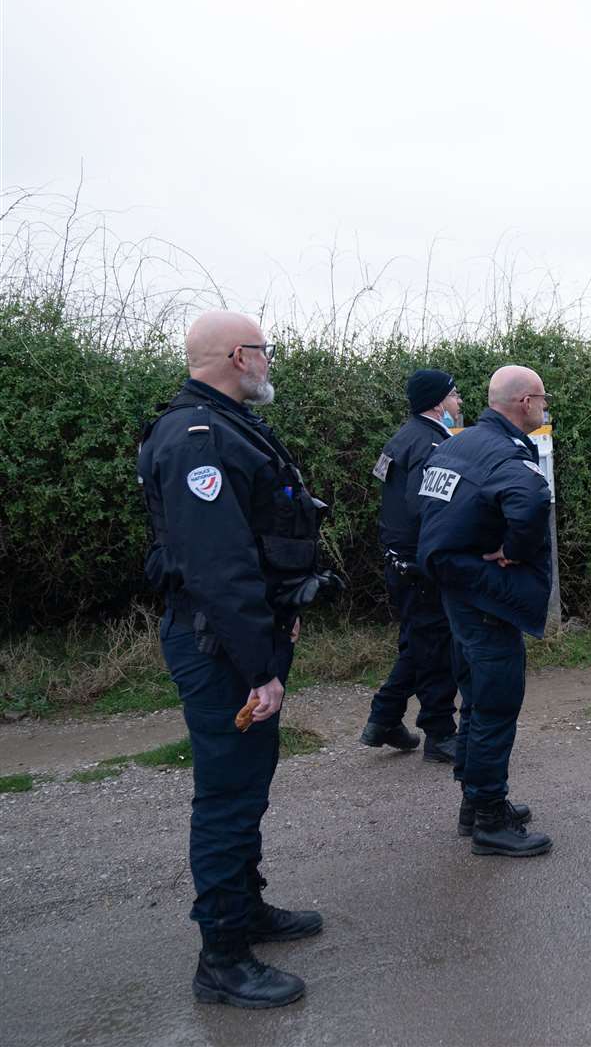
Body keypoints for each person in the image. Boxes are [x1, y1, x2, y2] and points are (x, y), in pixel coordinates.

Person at [137, 311, 335, 1008]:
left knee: (246, 787)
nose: (270, 361)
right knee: (227, 797)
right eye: (264, 351)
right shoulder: (197, 439)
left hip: (244, 640)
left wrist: (282, 626)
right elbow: (218, 569)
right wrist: (259, 667)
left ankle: (245, 910)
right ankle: (221, 958)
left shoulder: (227, 425)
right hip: (222, 650)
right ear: (236, 354)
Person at [416, 365, 555, 857]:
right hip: (485, 591)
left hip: (457, 587)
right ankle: (490, 821)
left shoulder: (456, 443)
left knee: (476, 697)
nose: (545, 408)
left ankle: (475, 804)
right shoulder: (504, 453)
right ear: (524, 402)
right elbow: (533, 500)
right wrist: (514, 550)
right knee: (495, 701)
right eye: (542, 400)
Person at [360, 369, 463, 762]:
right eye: (454, 397)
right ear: (437, 403)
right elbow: (425, 506)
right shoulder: (433, 445)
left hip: (398, 560)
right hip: (419, 564)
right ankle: (439, 733)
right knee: (436, 645)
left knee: (418, 642)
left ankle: (384, 718)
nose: (458, 405)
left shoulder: (401, 437)